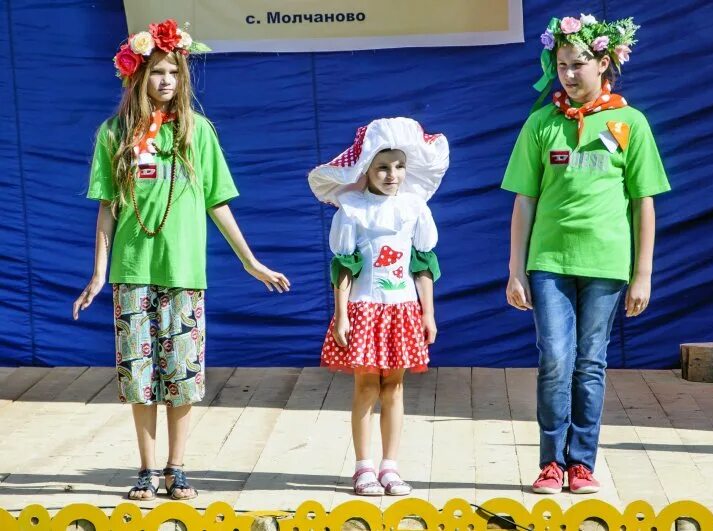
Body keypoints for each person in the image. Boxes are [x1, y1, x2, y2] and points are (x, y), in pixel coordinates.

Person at [72, 19, 290, 500]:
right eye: (155, 72)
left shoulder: (199, 133)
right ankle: (147, 470)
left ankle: (178, 467)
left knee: (183, 376)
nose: (165, 80)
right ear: (137, 76)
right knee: (140, 377)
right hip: (133, 274)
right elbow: (107, 209)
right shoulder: (114, 135)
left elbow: (219, 203)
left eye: (172, 70)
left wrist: (251, 262)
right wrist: (98, 273)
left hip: (184, 274)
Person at [502, 14, 671, 494]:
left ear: (604, 63)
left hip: (606, 263)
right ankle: (550, 463)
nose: (569, 74)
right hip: (549, 262)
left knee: (590, 361)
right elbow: (524, 201)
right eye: (561, 65)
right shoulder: (540, 124)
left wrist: (643, 274)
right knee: (555, 357)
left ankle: (582, 463)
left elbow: (644, 202)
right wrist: (516, 269)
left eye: (578, 64)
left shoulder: (629, 123)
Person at [308, 117, 448, 496]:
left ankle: (391, 466)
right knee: (367, 384)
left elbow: (422, 265)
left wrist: (428, 313)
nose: (392, 175)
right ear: (366, 169)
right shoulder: (352, 209)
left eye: (399, 166)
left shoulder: (414, 207)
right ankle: (363, 467)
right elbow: (345, 267)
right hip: (365, 308)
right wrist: (340, 315)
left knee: (395, 387)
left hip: (402, 308)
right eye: (382, 167)